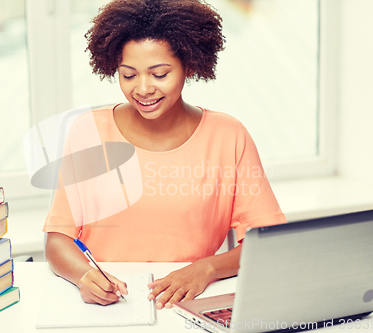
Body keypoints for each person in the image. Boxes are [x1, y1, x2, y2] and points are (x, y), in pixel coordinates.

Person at [44, 0, 286, 310]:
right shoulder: (88, 131)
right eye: (128, 75)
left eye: (159, 74)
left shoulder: (228, 136)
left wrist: (207, 268)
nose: (143, 89)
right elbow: (57, 241)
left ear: (189, 64)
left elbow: (268, 242)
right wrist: (84, 275)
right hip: (111, 307)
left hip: (190, 304)